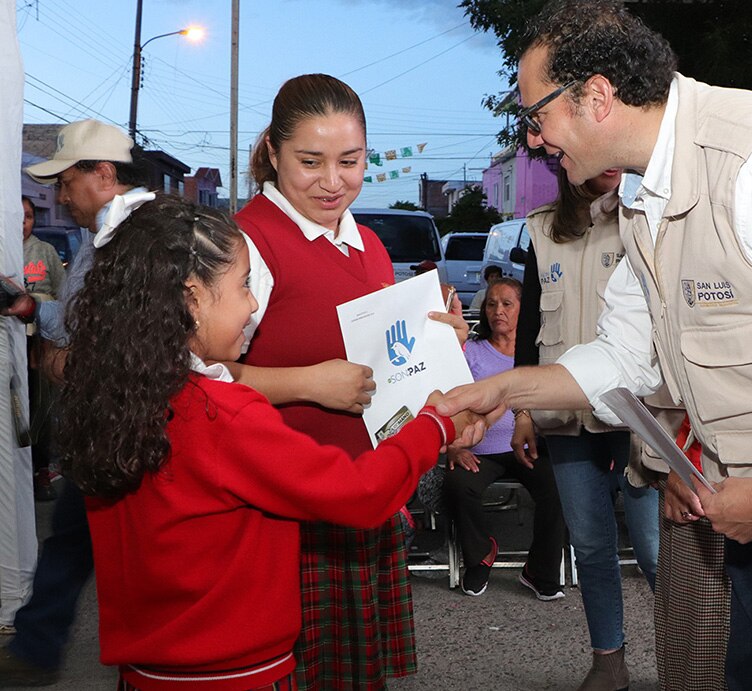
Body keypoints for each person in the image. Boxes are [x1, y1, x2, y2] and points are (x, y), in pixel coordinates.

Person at [437, 3, 752, 690]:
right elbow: (621, 356)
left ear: (595, 94)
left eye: (536, 115)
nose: (531, 140)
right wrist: (502, 389)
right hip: (746, 504)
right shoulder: (644, 197)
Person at [53, 193, 476, 690]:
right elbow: (361, 493)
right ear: (191, 299)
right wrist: (436, 424)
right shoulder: (222, 416)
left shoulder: (117, 396)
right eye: (243, 287)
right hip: (236, 672)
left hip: (147, 672)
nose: (255, 304)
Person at [229, 73, 465, 690]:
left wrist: (442, 343)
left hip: (363, 488)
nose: (333, 182)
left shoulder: (365, 241)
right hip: (288, 501)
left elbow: (384, 359)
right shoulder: (248, 244)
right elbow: (203, 376)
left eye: (351, 162)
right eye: (310, 162)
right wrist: (310, 383)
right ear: (273, 154)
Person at [0, 119, 150, 686]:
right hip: (104, 419)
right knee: (75, 535)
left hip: (125, 418)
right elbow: (82, 321)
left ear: (103, 173)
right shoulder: (100, 236)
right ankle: (39, 648)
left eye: (66, 181)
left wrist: (66, 349)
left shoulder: (138, 234)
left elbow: (118, 335)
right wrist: (33, 310)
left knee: (99, 540)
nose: (59, 195)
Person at [512, 167, 662, 690]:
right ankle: (608, 661)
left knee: (655, 549)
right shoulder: (541, 230)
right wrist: (523, 412)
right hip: (565, 419)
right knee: (592, 547)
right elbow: (528, 326)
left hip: (638, 416)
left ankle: (693, 657)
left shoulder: (643, 219)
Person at [445, 277, 566, 599]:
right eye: (491, 304)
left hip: (530, 448)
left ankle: (540, 572)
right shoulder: (471, 351)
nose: (498, 311)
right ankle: (480, 556)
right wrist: (454, 447)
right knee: (458, 484)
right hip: (480, 451)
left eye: (507, 304)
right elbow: (449, 402)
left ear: (523, 310)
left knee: (559, 487)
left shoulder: (538, 354)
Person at [20, 196, 65, 501]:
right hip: (8, 342)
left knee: (40, 406)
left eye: (29, 216)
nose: (24, 222)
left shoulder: (45, 252)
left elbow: (63, 297)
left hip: (39, 340)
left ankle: (39, 471)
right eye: (19, 216)